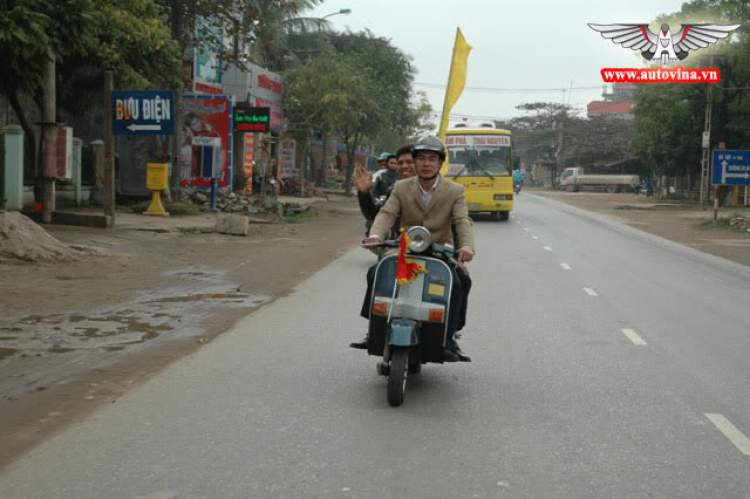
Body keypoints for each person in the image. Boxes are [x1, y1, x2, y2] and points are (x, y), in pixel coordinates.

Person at [351, 136, 475, 362]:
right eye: (421, 159)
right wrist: (376, 235)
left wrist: (465, 246)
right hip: (404, 249)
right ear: (415, 162)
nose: (426, 163)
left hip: (439, 250)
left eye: (432, 159)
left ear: (440, 163)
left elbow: (461, 220)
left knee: (459, 282)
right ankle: (374, 331)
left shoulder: (454, 190)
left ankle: (450, 338)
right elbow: (387, 213)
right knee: (375, 273)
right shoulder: (400, 187)